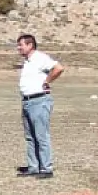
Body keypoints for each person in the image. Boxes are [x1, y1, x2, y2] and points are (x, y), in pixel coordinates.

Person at [16, 33, 64, 179]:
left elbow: (58, 68)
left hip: (39, 100)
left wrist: (47, 81)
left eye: (21, 45)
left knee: (41, 135)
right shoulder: (28, 61)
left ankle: (46, 168)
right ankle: (33, 167)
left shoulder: (40, 58)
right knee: (30, 136)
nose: (18, 48)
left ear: (30, 45)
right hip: (27, 101)